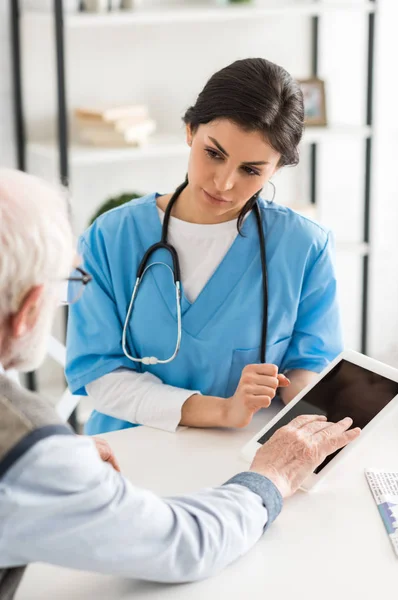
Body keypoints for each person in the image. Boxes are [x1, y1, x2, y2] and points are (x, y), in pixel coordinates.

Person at [0, 168, 360, 599]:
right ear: (29, 309)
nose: (225, 183)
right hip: (160, 476)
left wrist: (57, 461)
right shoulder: (23, 446)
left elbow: (311, 361)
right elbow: (182, 544)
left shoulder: (303, 241)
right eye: (68, 285)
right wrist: (270, 477)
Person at [66, 58, 343, 436]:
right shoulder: (109, 238)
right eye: (214, 154)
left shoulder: (304, 247)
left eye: (251, 170)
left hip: (241, 455)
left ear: (276, 168)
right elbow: (101, 375)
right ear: (190, 131)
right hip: (131, 450)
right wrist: (222, 410)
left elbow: (308, 368)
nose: (224, 183)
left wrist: (324, 413)